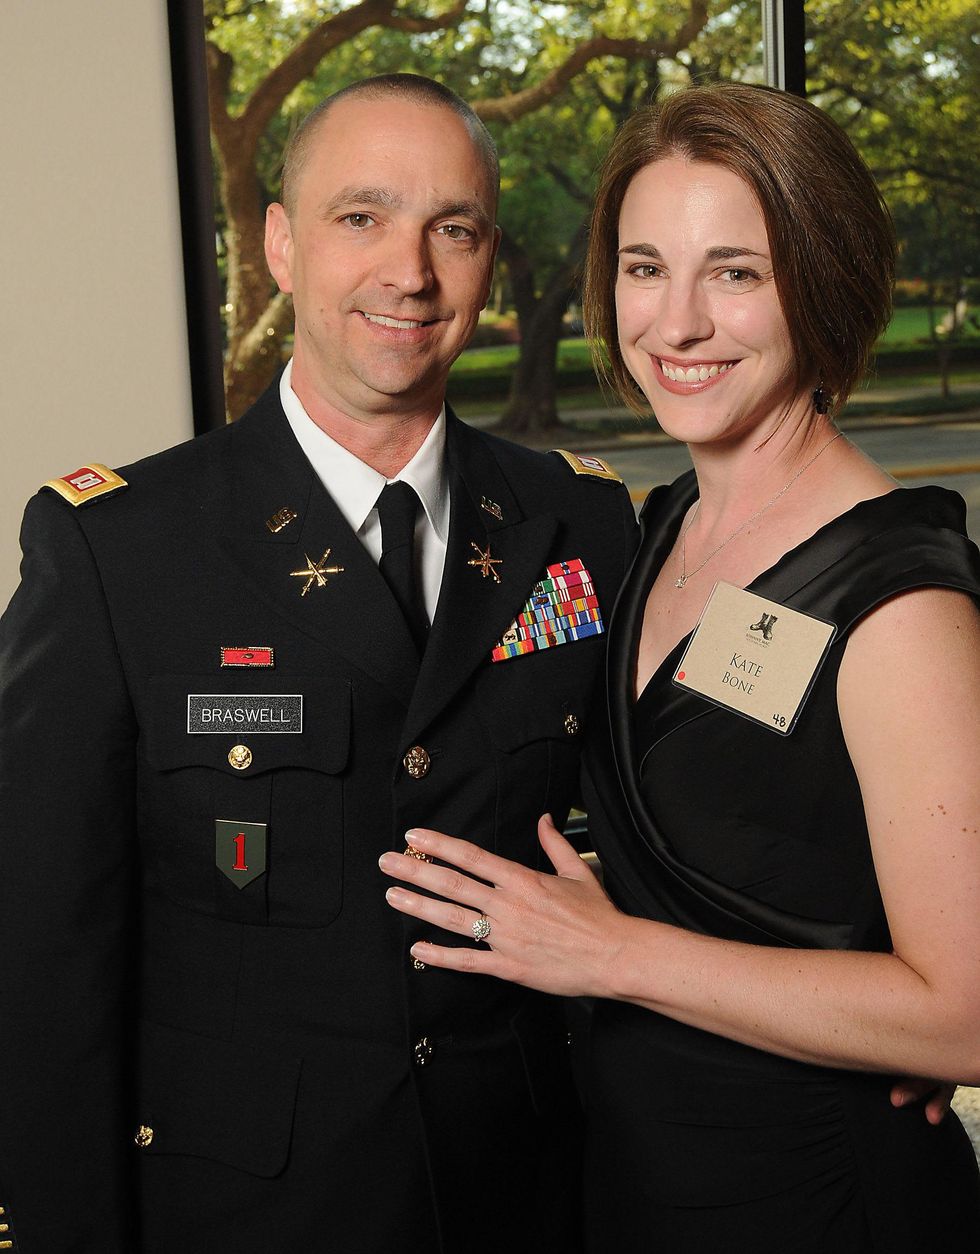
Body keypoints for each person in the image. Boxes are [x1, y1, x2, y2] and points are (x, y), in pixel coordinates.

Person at [0, 75, 638, 1253]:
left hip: (529, 1195)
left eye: (453, 228)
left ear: (488, 259)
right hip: (249, 1210)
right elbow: (44, 963)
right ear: (281, 246)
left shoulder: (580, 526)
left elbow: (666, 834)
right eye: (362, 217)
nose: (410, 272)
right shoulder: (118, 548)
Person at [379, 83, 980, 1251]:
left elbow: (963, 1015)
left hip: (819, 1198)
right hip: (635, 1176)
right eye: (646, 267)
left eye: (736, 272)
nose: (677, 323)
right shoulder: (645, 534)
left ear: (824, 277)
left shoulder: (897, 603)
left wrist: (610, 952)